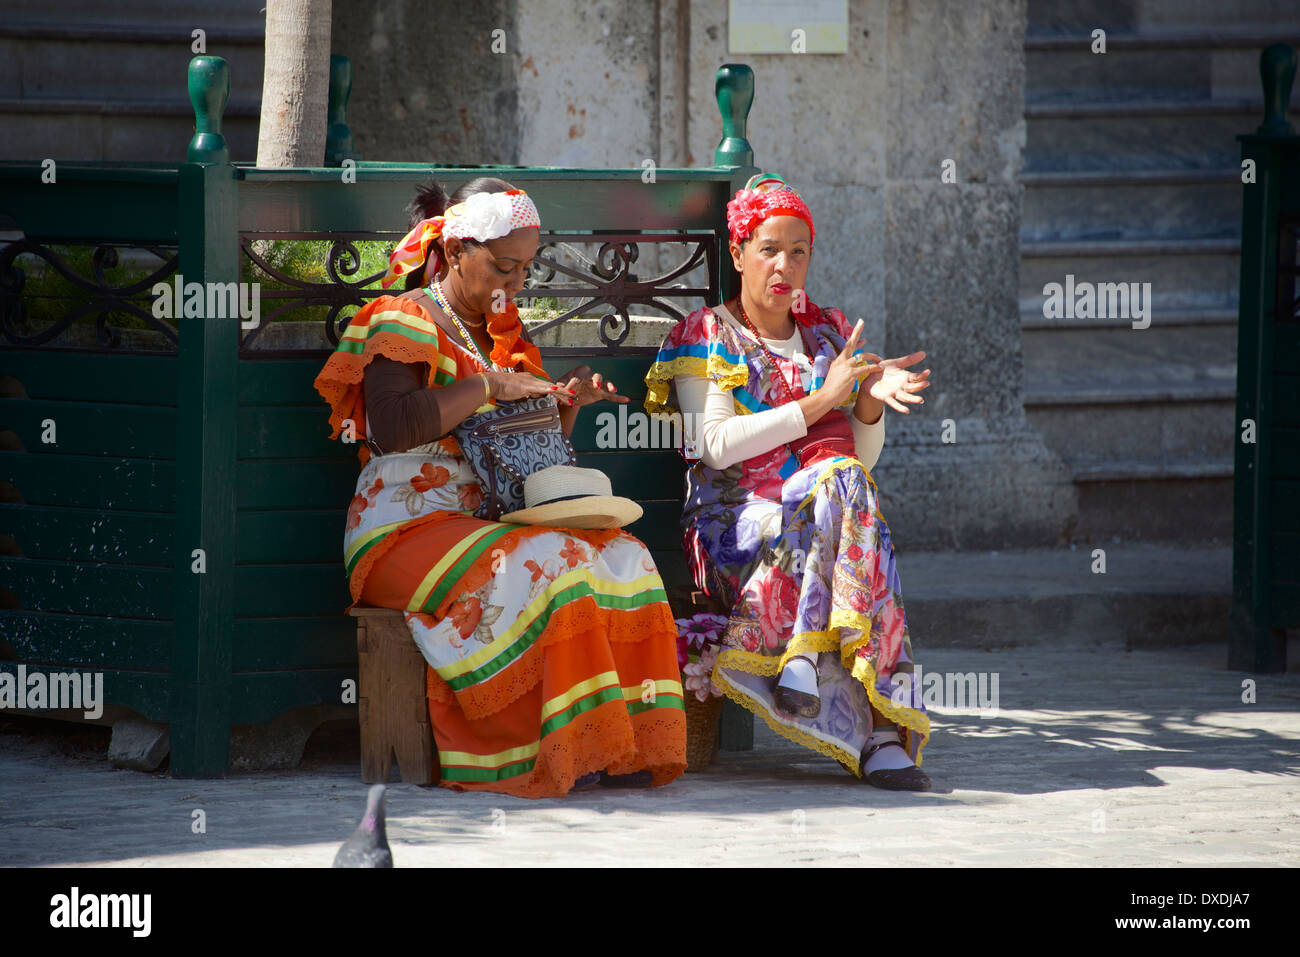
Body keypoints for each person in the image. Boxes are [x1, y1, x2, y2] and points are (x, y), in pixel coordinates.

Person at [314, 177, 686, 798]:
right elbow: (395, 426)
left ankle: (617, 742)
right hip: (401, 531)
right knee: (557, 560)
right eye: (502, 266)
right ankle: (538, 748)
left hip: (490, 523)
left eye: (524, 270)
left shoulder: (504, 336)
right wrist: (489, 387)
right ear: (456, 251)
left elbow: (533, 451)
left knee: (627, 555)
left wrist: (567, 405)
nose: (513, 284)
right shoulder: (401, 318)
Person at [644, 173, 934, 790]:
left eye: (798, 252)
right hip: (733, 523)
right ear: (739, 252)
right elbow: (714, 448)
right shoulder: (709, 334)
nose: (784, 265)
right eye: (769, 249)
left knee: (846, 486)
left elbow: (860, 466)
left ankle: (806, 658)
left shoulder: (826, 333)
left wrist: (867, 406)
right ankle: (881, 733)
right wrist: (820, 399)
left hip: (817, 518)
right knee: (855, 516)